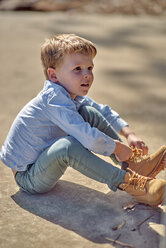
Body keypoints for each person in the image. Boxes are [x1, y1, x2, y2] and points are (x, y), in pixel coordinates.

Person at [0, 34, 165, 206]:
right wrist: (115, 146)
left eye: (90, 68)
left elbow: (103, 111)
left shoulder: (69, 94)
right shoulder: (53, 100)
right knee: (67, 146)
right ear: (54, 76)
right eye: (77, 69)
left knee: (89, 112)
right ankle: (128, 182)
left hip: (43, 160)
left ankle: (131, 165)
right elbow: (88, 138)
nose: (87, 75)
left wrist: (128, 134)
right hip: (28, 176)